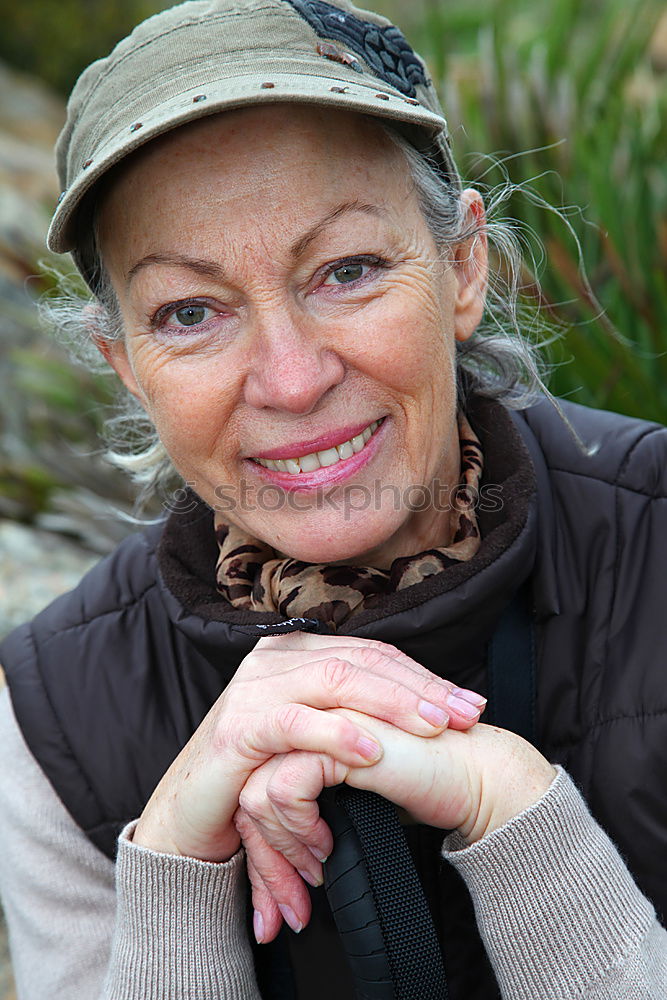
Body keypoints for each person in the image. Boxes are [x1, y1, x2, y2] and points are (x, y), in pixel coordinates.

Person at [0, 0, 665, 997]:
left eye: (346, 270)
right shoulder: (60, 712)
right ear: (126, 364)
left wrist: (513, 804)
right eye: (189, 311)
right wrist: (178, 868)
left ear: (462, 266)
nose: (292, 377)